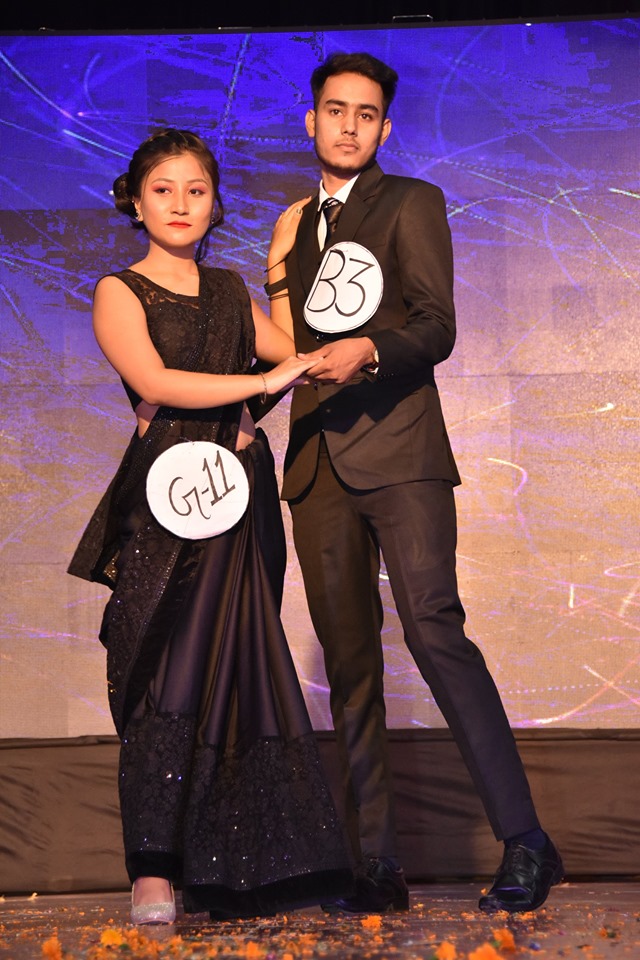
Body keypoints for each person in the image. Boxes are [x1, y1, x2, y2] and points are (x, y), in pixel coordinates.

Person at [266, 53, 564, 914]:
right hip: (318, 462)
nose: (349, 125)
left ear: (385, 128)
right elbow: (288, 346)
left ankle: (527, 841)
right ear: (311, 120)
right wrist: (278, 266)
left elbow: (436, 326)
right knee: (350, 663)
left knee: (436, 632)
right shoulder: (294, 225)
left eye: (366, 114)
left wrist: (371, 349)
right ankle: (376, 864)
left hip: (402, 451)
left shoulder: (411, 201)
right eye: (335, 110)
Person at [68, 128, 352, 924]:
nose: (181, 204)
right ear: (135, 201)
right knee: (164, 668)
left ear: (215, 202)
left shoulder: (229, 290)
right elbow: (155, 381)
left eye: (196, 190)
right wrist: (256, 388)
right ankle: (152, 870)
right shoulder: (120, 289)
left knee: (241, 666)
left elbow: (299, 356)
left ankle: (251, 862)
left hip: (239, 495)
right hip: (166, 498)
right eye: (163, 189)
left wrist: (280, 271)